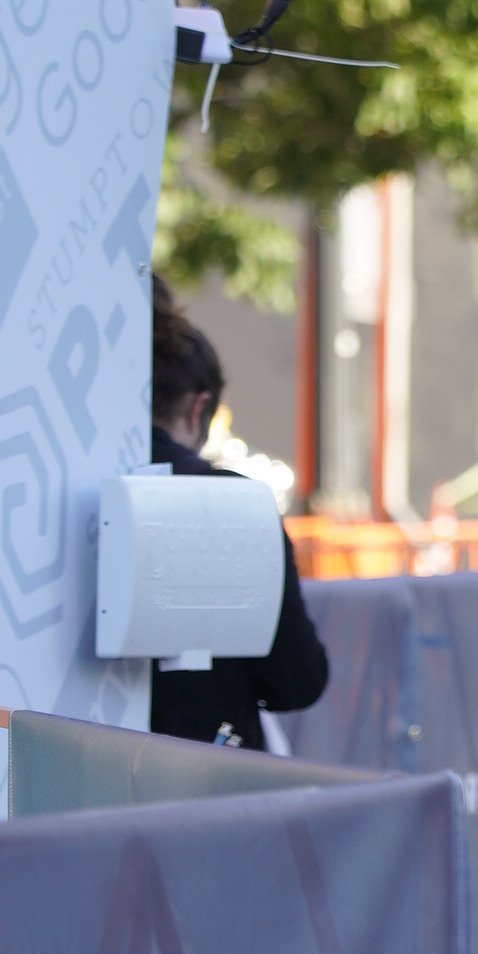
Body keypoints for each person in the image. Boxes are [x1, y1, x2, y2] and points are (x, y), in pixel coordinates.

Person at [148, 287, 331, 750]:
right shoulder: (238, 504)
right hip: (202, 770)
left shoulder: (62, 486)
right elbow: (297, 680)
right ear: (199, 408)